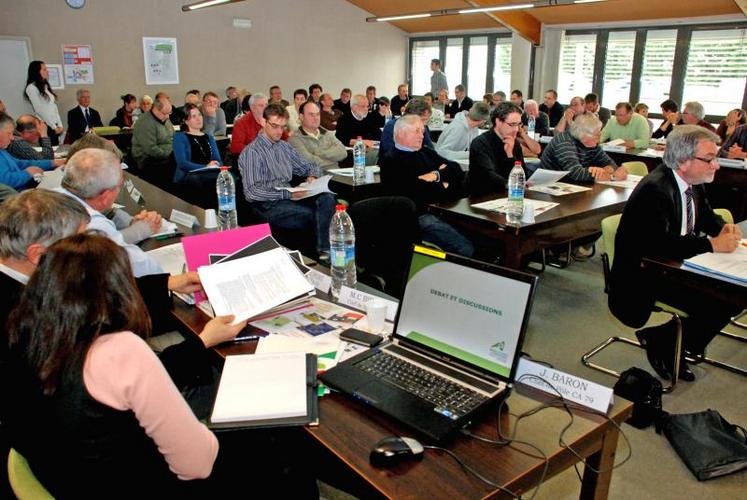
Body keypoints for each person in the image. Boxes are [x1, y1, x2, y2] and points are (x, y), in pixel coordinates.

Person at [0, 231, 283, 497]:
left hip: (64, 476)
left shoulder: (21, 329)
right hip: (132, 484)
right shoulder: (119, 350)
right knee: (275, 449)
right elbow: (197, 465)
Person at [609, 125, 742, 381]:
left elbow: (704, 215)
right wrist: (711, 245)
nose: (716, 165)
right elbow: (659, 246)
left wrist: (720, 227)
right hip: (642, 274)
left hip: (674, 266)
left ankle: (666, 340)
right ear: (683, 160)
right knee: (720, 300)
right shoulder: (655, 190)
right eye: (709, 159)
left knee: (730, 296)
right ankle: (665, 343)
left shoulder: (691, 181)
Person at [239, 104, 335, 259]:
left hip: (290, 196)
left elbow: (311, 165)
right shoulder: (252, 152)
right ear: (263, 122)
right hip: (267, 204)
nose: (279, 131)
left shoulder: (284, 147)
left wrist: (312, 176)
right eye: (275, 126)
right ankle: (316, 255)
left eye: (282, 127)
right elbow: (252, 192)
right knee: (311, 215)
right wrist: (288, 195)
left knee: (328, 199)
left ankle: (325, 251)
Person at [56, 148, 164, 277]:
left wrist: (133, 223)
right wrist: (144, 228)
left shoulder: (53, 195)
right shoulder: (90, 222)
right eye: (119, 185)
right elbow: (145, 269)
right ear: (106, 196)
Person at [380, 115, 473, 257]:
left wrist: (436, 176)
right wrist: (445, 184)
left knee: (481, 238)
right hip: (418, 217)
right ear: (400, 133)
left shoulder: (426, 152)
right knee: (465, 247)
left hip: (444, 209)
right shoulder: (391, 161)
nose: (421, 136)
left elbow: (456, 170)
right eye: (416, 131)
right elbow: (417, 194)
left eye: (422, 131)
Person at [470, 102, 540, 197]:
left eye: (518, 125)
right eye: (512, 124)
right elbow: (487, 175)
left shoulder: (514, 143)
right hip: (484, 196)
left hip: (510, 195)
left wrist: (510, 155)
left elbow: (522, 175)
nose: (516, 129)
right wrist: (511, 184)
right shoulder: (480, 143)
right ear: (498, 121)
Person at [540, 113, 628, 182]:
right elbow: (576, 173)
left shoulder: (592, 144)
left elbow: (611, 163)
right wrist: (610, 175)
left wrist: (603, 171)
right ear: (584, 135)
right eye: (597, 134)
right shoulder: (564, 143)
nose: (600, 137)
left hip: (573, 186)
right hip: (549, 186)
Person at [173, 103, 222, 203]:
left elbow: (218, 160)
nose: (198, 119)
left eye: (199, 115)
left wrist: (216, 164)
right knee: (199, 181)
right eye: (193, 116)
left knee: (229, 177)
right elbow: (182, 163)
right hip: (189, 175)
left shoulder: (209, 137)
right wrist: (205, 167)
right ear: (186, 121)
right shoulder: (180, 137)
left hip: (209, 172)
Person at [0, 114, 59, 190]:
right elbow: (5, 181)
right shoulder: (17, 143)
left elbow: (21, 163)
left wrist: (52, 163)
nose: (12, 138)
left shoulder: (2, 151)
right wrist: (28, 173)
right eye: (9, 133)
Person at [289, 101, 347, 172]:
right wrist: (332, 161)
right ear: (301, 117)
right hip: (316, 178)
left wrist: (318, 152)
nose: (316, 118)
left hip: (338, 175)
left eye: (317, 114)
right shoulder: (294, 139)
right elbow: (308, 161)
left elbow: (343, 152)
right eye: (311, 115)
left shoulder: (327, 133)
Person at [131, 92, 174, 184]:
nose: (168, 116)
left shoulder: (165, 119)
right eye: (165, 113)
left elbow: (172, 138)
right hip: (148, 160)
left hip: (167, 156)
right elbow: (150, 149)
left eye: (169, 113)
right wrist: (170, 155)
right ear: (156, 110)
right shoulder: (144, 123)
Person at [24, 61, 63, 145]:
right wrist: (54, 127)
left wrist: (59, 124)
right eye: (44, 69)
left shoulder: (45, 86)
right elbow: (39, 109)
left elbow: (53, 107)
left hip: (53, 124)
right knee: (49, 151)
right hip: (46, 125)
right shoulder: (31, 88)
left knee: (56, 150)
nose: (47, 71)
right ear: (37, 72)